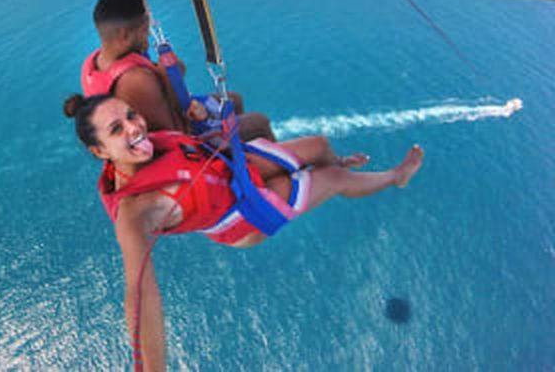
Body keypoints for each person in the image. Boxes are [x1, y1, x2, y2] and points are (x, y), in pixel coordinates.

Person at [64, 93, 424, 371]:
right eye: (117, 130)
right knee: (333, 178)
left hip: (233, 169)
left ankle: (338, 169)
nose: (133, 127)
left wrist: (200, 118)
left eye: (131, 115)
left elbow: (181, 141)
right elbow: (140, 294)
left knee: (319, 146)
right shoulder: (135, 211)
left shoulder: (148, 143)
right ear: (100, 151)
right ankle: (393, 177)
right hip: (242, 214)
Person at [80, 0, 275, 141]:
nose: (147, 37)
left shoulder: (92, 62)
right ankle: (276, 172)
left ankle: (244, 154)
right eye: (144, 31)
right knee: (260, 122)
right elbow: (176, 133)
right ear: (124, 35)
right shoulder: (136, 80)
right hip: (183, 140)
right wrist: (199, 112)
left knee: (234, 99)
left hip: (171, 111)